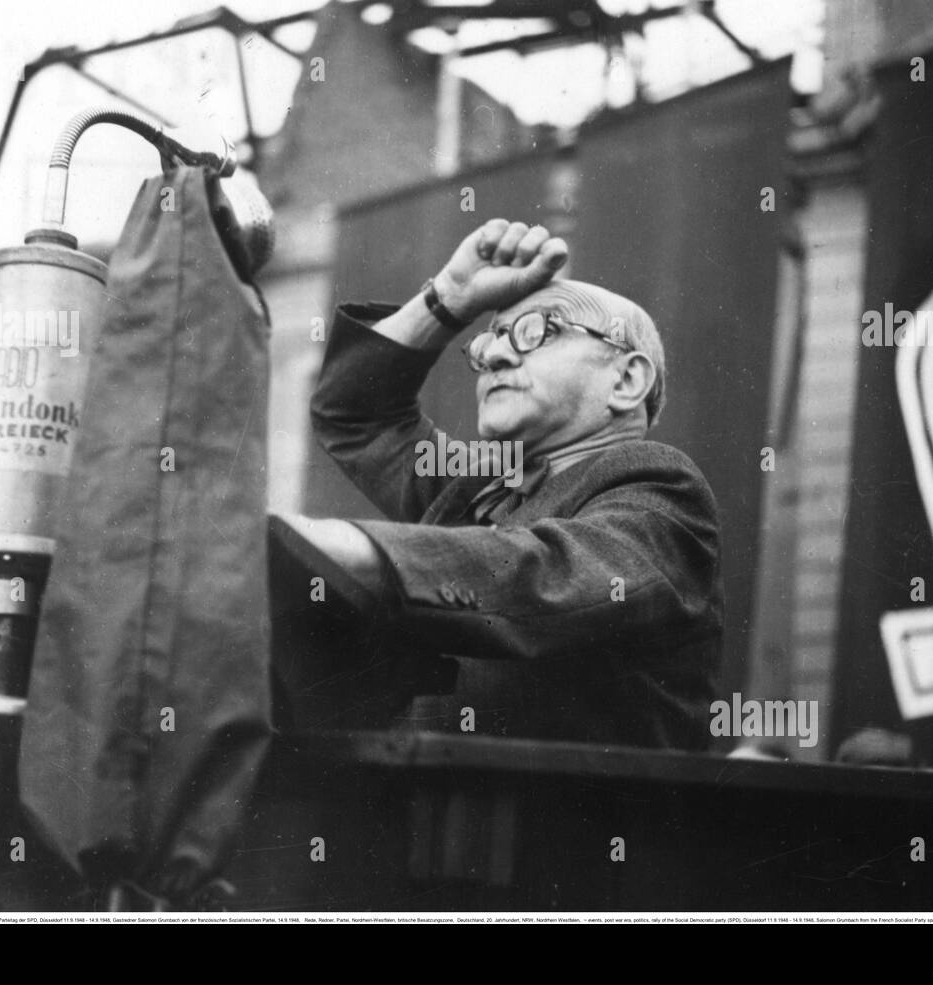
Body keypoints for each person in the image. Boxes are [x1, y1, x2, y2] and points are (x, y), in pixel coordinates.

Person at [288, 218, 723, 749]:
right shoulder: (482, 485)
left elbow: (547, 575)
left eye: (538, 331)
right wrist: (448, 299)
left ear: (627, 380)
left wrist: (348, 547)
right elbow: (354, 415)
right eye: (488, 341)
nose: (492, 355)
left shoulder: (658, 483)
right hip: (431, 805)